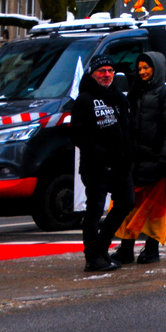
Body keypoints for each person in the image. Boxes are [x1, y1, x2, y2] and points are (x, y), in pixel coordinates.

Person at [113, 52, 166, 265]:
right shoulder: (134, 92)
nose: (142, 72)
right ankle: (126, 249)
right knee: (127, 206)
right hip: (133, 160)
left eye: (146, 68)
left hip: (154, 159)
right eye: (140, 68)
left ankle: (151, 250)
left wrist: (163, 157)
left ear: (156, 68)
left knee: (153, 209)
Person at [72, 56, 133, 273]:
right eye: (101, 71)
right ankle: (93, 257)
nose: (106, 74)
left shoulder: (118, 97)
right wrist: (101, 153)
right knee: (95, 209)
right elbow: (78, 135)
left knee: (126, 202)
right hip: (96, 165)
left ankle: (101, 247)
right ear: (92, 74)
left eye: (110, 70)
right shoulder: (84, 100)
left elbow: (127, 128)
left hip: (121, 164)